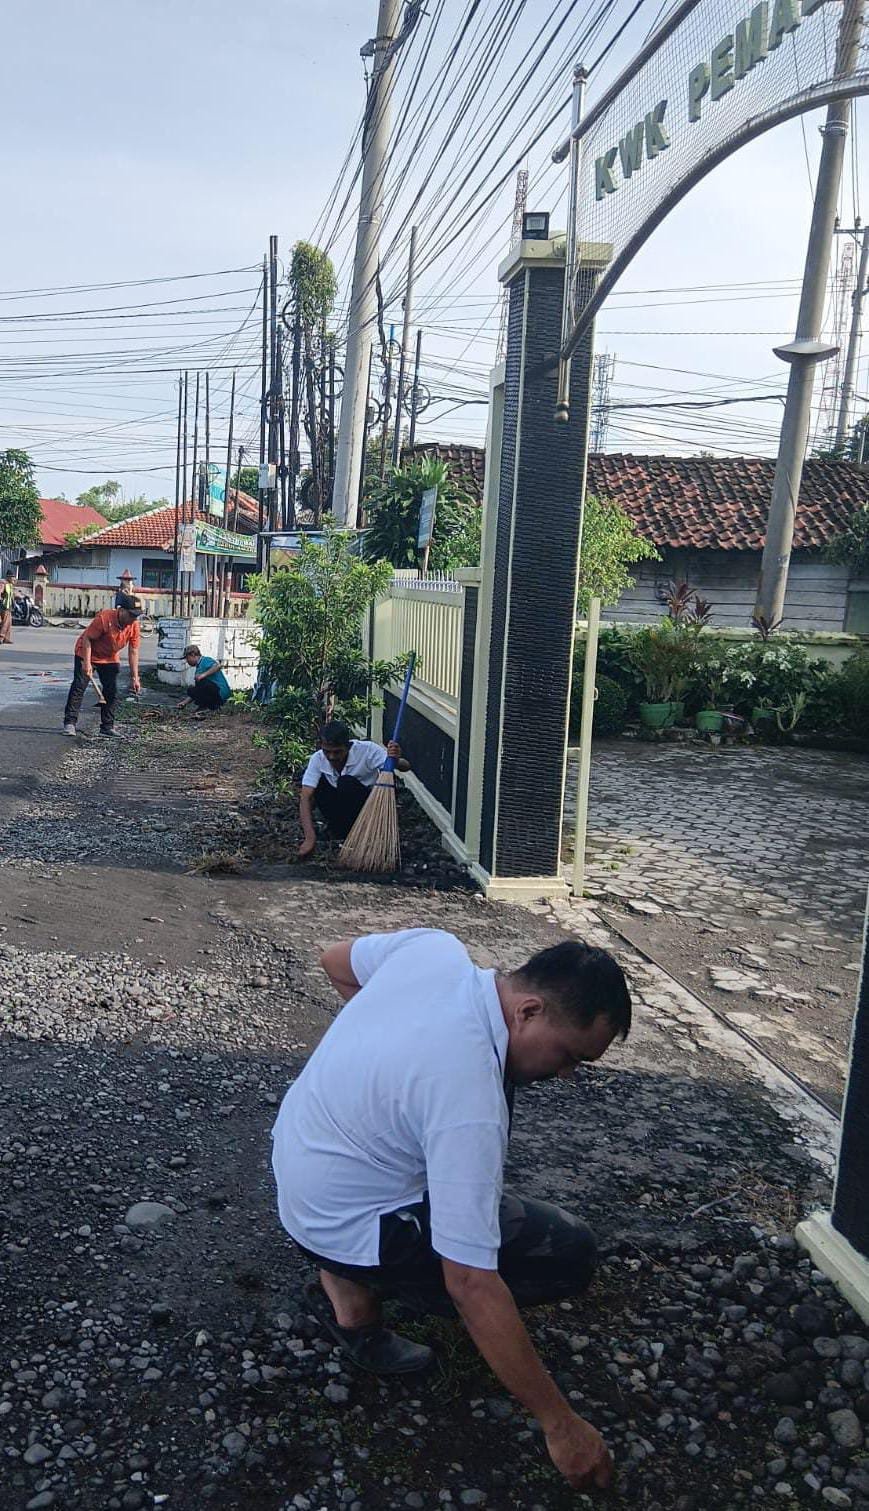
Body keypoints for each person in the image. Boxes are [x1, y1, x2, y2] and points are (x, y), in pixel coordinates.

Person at [271, 928, 631, 1493]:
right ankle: (356, 1308)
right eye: (569, 1056)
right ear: (529, 1010)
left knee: (465, 1155)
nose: (566, 1076)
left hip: (301, 1169)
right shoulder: (468, 1100)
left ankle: (344, 1279)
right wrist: (560, 1425)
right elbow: (469, 1281)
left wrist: (384, 1063)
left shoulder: (433, 951)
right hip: (342, 1220)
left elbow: (335, 961)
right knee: (569, 1252)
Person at [297, 720, 410, 857]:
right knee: (315, 783)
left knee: (346, 782)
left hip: (365, 808)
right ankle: (339, 829)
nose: (332, 757)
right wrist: (310, 838)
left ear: (348, 746)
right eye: (327, 752)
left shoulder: (368, 750)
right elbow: (306, 797)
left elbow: (405, 766)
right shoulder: (318, 758)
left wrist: (395, 759)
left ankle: (363, 832)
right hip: (337, 811)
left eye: (337, 752)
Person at [62, 592, 142, 737]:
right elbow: (87, 639)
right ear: (122, 610)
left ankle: (107, 727)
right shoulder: (104, 619)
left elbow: (133, 651)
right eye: (131, 615)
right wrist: (87, 664)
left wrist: (135, 677)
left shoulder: (134, 625)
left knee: (111, 691)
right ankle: (70, 723)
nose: (133, 619)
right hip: (86, 653)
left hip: (109, 657)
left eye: (136, 616)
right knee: (79, 687)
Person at [177, 644, 231, 712]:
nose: (187, 661)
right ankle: (206, 706)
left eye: (187, 658)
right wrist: (184, 703)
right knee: (191, 690)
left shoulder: (205, 660)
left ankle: (210, 706)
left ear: (193, 654)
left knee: (201, 682)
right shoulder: (198, 668)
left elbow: (218, 666)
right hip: (214, 692)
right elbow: (197, 690)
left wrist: (203, 675)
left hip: (220, 693)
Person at [0, 572, 16, 645]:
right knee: (5, 623)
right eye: (13, 577)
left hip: (8, 606)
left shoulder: (10, 585)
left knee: (9, 623)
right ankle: (1, 638)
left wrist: (14, 603)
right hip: (4, 606)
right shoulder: (3, 584)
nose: (14, 579)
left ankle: (6, 638)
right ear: (8, 577)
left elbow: (11, 596)